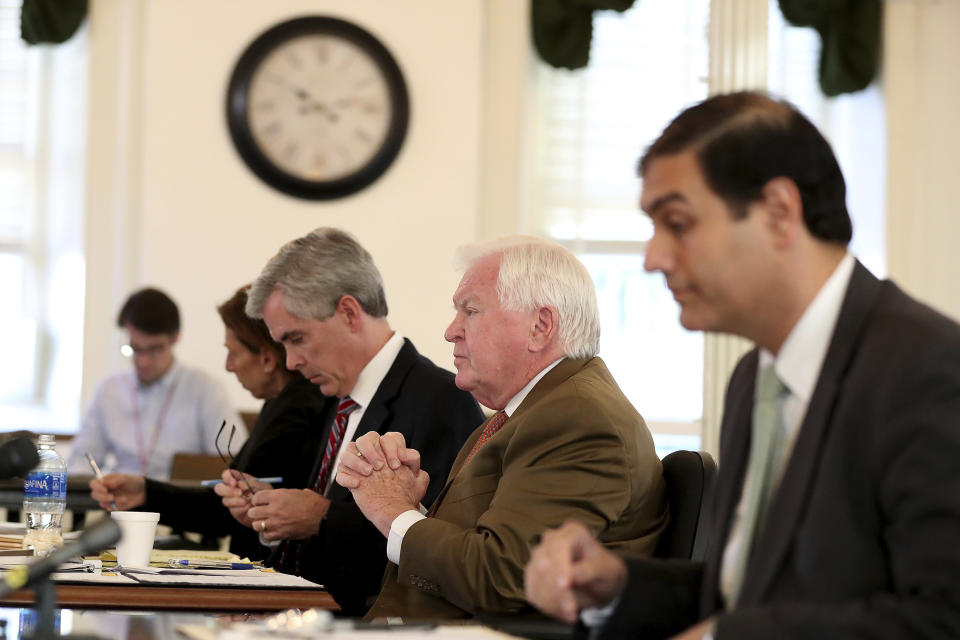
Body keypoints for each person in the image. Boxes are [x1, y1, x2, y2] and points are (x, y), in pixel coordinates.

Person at [523, 91, 960, 639]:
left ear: (779, 212)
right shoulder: (753, 379)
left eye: (677, 223)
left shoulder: (929, 371)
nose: (653, 258)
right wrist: (615, 586)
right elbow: (745, 596)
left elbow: (943, 619)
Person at [336, 236, 668, 620]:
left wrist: (392, 512)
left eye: (470, 311)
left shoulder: (577, 418)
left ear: (541, 326)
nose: (451, 331)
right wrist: (409, 504)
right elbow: (486, 548)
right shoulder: (523, 414)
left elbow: (503, 579)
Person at [214, 227, 482, 615]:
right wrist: (273, 516)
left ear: (349, 313)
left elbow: (439, 553)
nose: (290, 362)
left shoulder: (440, 400)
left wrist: (321, 518)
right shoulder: (337, 398)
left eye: (297, 339)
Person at [88, 285, 333, 560]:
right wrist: (146, 491)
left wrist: (148, 494)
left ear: (266, 357)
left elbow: (224, 512)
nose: (228, 365)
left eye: (233, 353)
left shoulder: (295, 409)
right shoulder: (284, 402)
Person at [68, 287, 245, 480]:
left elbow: (232, 462)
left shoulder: (206, 390)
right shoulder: (109, 390)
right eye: (134, 349)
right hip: (120, 505)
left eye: (154, 349)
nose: (143, 361)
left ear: (176, 337)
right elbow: (82, 460)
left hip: (178, 502)